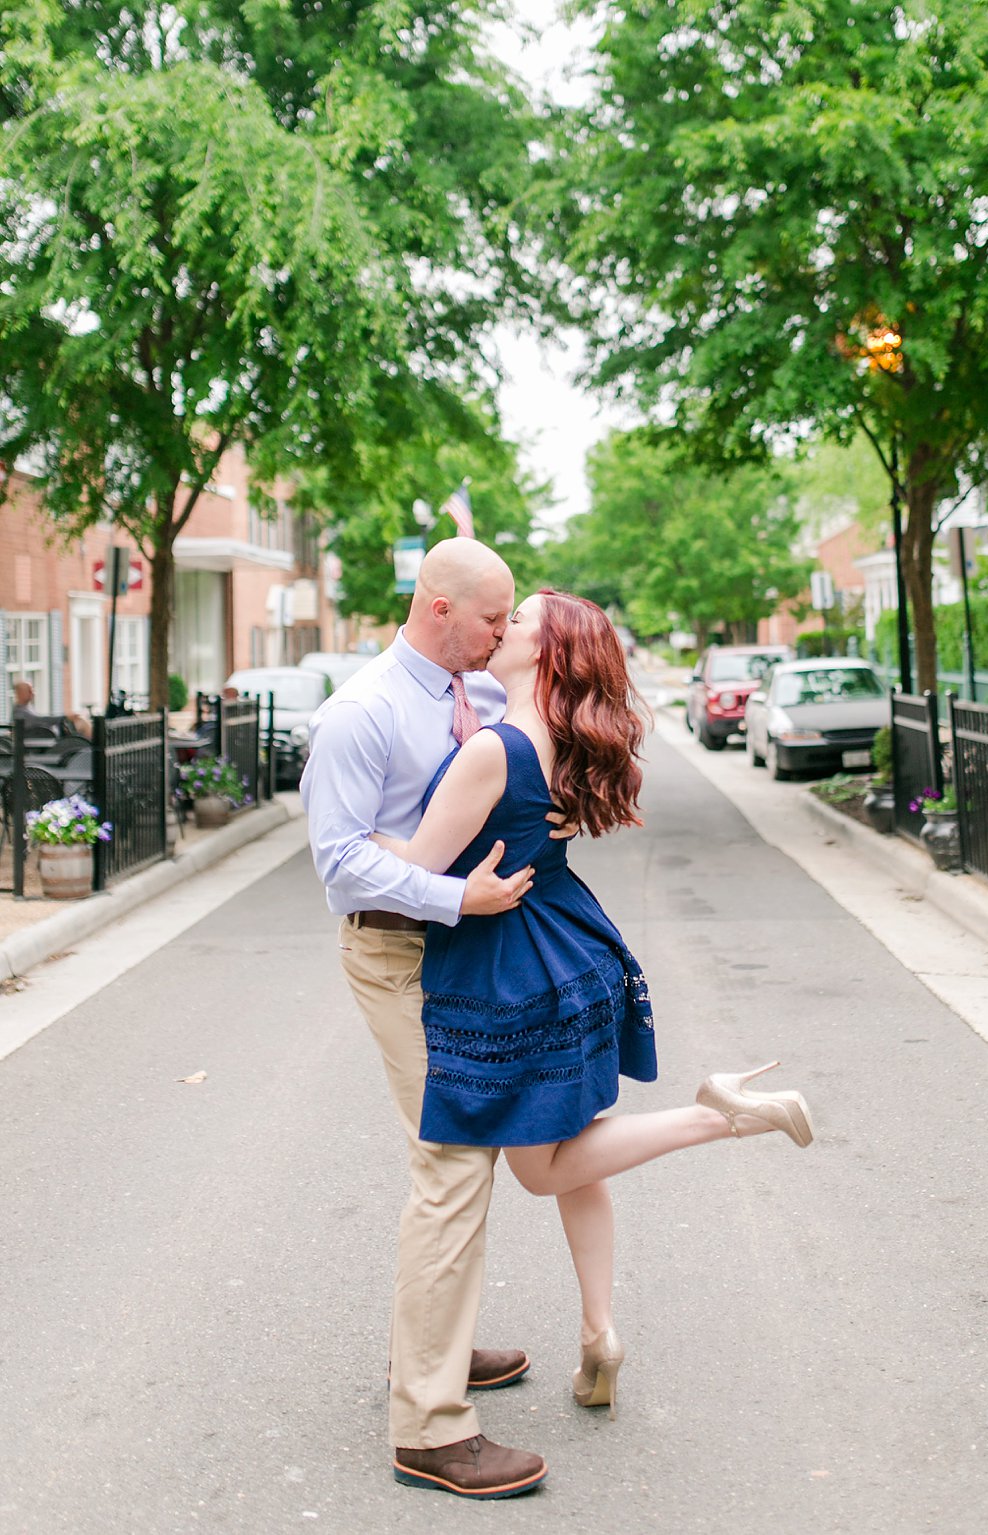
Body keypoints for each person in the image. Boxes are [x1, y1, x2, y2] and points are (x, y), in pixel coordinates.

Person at [367, 587, 815, 1455]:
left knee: (542, 1169)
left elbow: (418, 868)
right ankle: (599, 1330)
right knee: (578, 1147)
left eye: (518, 623)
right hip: (576, 949)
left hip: (514, 965)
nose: (501, 630)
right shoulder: (563, 736)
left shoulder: (495, 748)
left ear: (544, 652)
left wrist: (351, 836)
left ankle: (717, 1113)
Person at [303, 538, 545, 1497]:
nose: (501, 634)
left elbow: (499, 779)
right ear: (438, 606)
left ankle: (427, 1354)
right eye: (494, 618)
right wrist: (458, 901)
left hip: (457, 952)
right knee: (450, 1157)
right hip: (397, 951)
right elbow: (340, 862)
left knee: (461, 1154)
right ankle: (431, 1428)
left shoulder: (474, 694)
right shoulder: (361, 713)